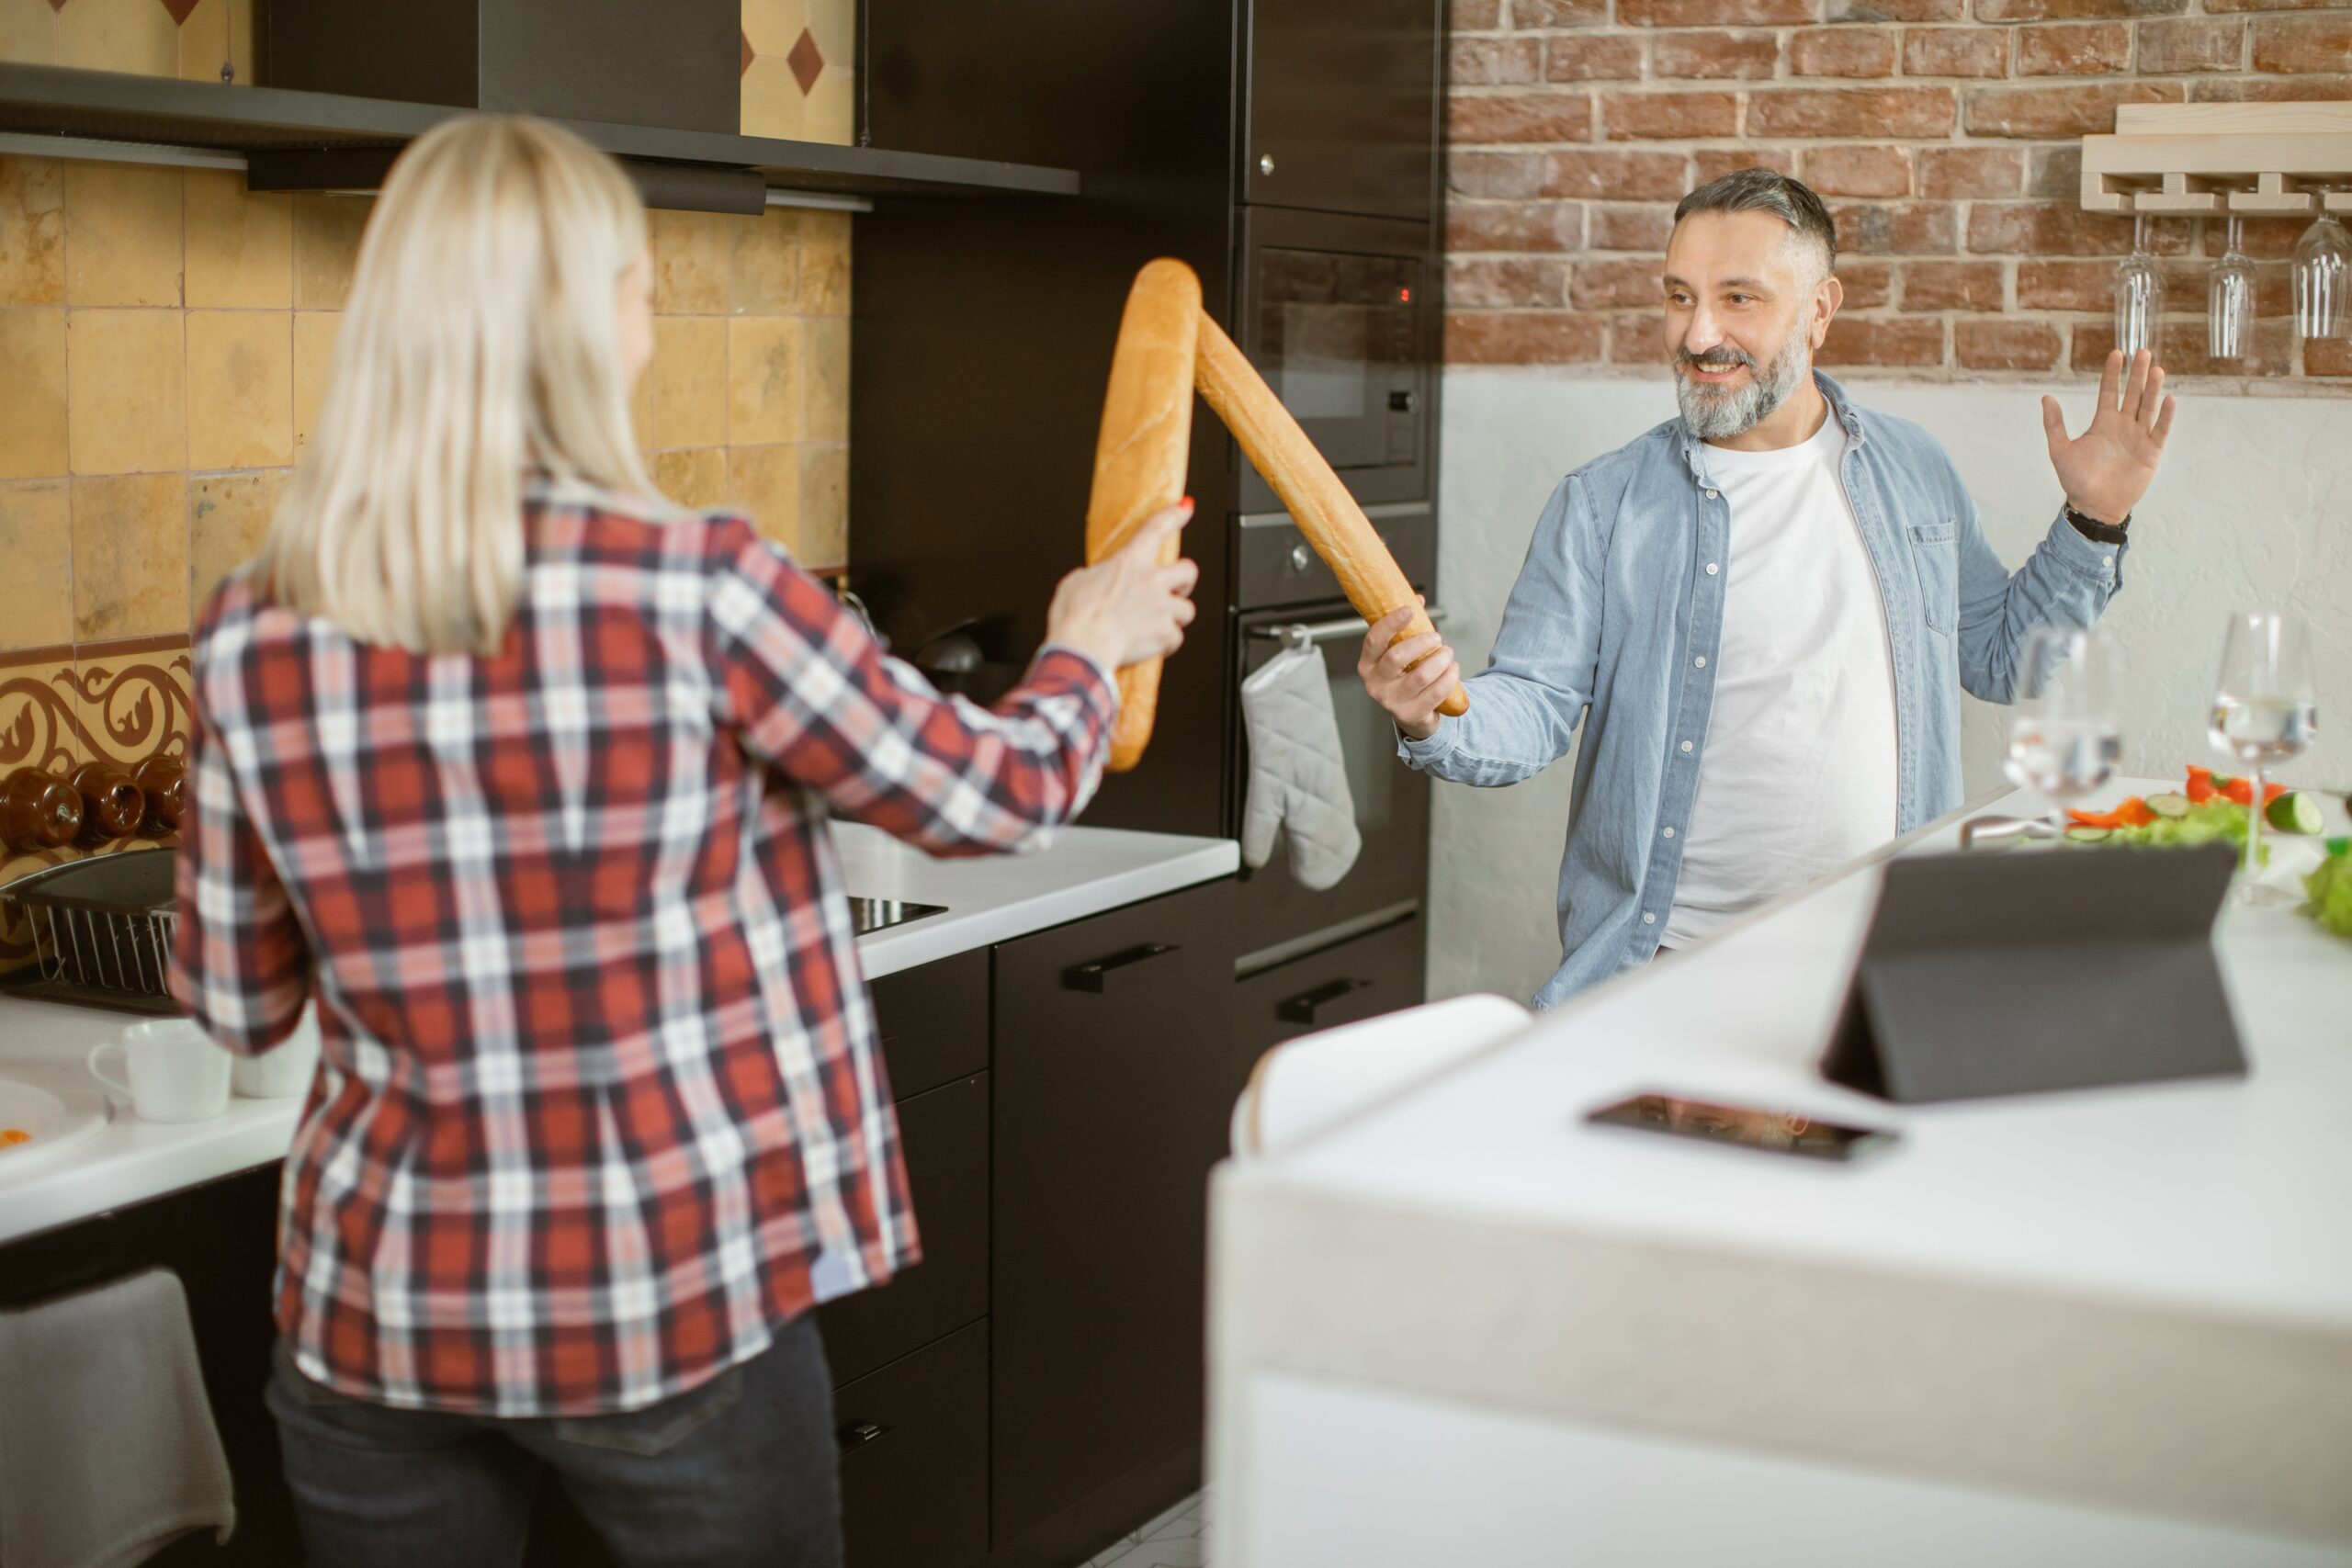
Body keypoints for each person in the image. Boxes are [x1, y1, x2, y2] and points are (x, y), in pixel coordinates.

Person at [168, 115, 1195, 1568]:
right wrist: (1088, 642)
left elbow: (236, 999)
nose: (653, 322)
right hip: (668, 1298)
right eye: (641, 286)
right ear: (586, 327)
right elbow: (995, 792)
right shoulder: (697, 587)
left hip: (379, 1310)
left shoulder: (252, 631)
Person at [1361, 168, 2176, 1009]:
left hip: (1879, 964)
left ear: (1819, 310)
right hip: (1664, 973)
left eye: (1738, 299)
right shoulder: (1603, 504)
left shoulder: (1914, 471)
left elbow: (2007, 661)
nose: (1698, 332)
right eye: (1680, 296)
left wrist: (2094, 517)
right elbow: (1531, 703)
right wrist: (1434, 708)